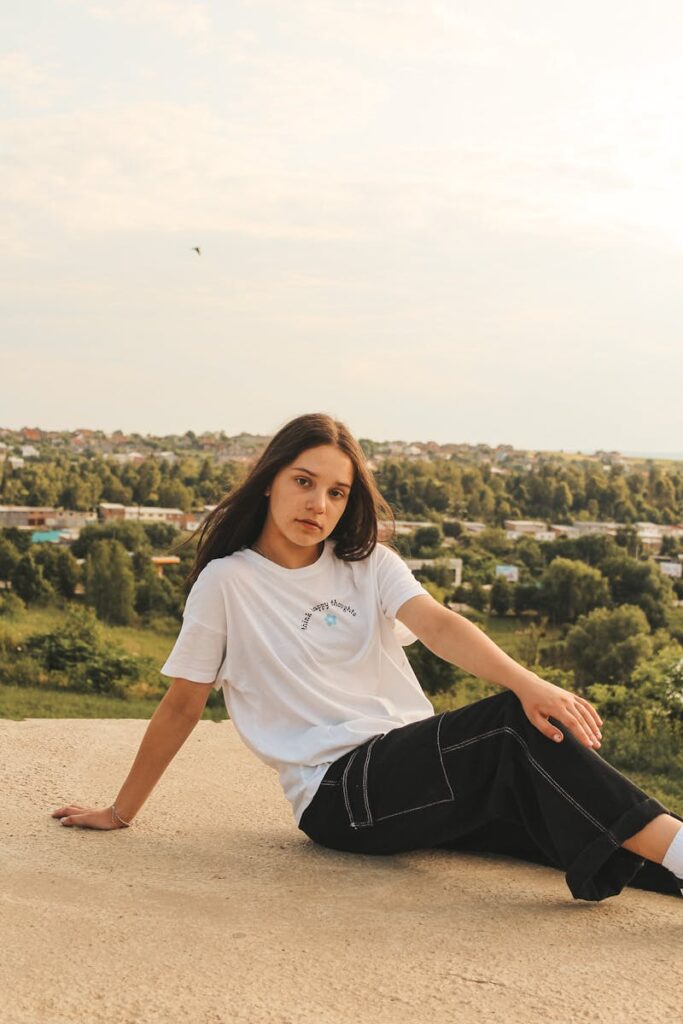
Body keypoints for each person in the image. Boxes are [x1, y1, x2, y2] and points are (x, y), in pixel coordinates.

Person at [51, 412, 683, 902]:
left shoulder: (370, 565)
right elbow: (184, 704)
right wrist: (120, 811)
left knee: (587, 827)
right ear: (270, 479)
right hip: (339, 795)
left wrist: (529, 679)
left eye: (335, 491)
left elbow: (437, 624)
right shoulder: (228, 582)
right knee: (514, 723)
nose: (317, 505)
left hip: (408, 775)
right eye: (303, 482)